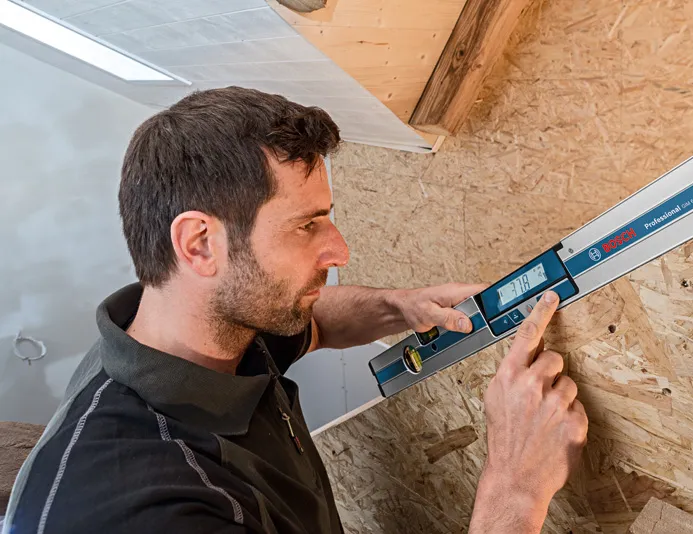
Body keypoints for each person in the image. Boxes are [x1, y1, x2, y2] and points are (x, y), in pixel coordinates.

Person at [2, 87, 588, 534]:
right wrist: (514, 490)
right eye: (307, 226)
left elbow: (315, 321)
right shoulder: (152, 510)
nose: (339, 251)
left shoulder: (199, 326)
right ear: (200, 244)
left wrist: (398, 307)